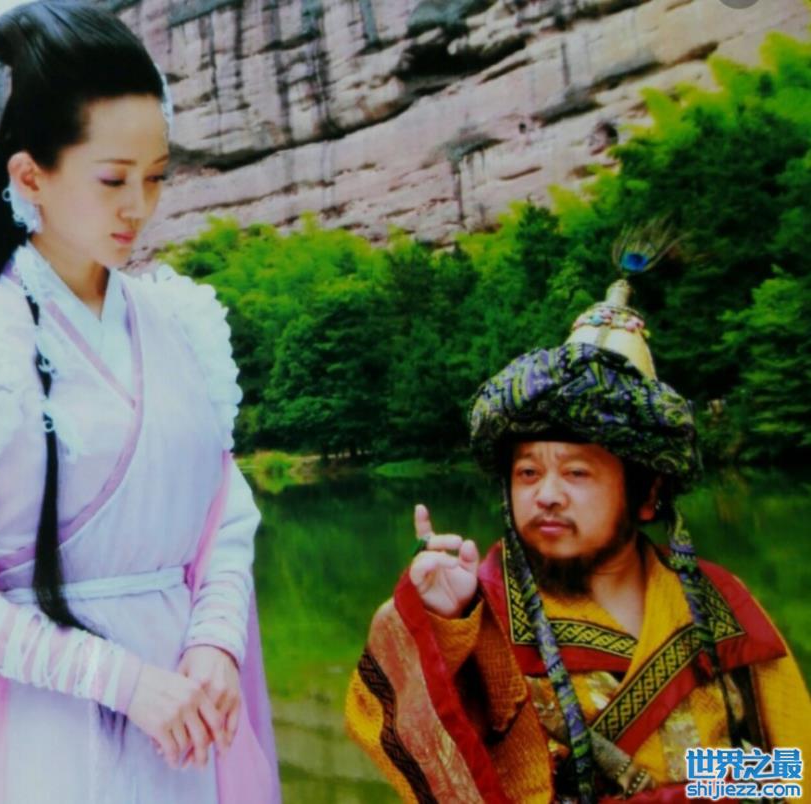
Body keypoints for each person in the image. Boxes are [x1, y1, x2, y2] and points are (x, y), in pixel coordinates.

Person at [0, 4, 278, 802]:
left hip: (189, 718)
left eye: (156, 176)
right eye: (113, 179)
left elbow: (224, 517)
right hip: (39, 735)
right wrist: (118, 680)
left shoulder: (184, 327)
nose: (140, 206)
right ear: (31, 178)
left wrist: (215, 643)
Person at [345, 252, 810, 802]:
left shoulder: (718, 603)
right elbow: (404, 740)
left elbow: (791, 769)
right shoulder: (483, 610)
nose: (546, 494)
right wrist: (439, 624)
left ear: (647, 493)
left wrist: (691, 790)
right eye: (527, 472)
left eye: (576, 472)